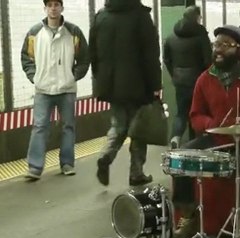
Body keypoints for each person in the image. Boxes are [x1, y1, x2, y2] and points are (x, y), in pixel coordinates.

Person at [171, 25, 240, 238]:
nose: (218, 50)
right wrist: (210, 123)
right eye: (216, 44)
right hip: (215, 138)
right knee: (181, 156)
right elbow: (195, 115)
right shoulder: (205, 79)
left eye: (225, 45)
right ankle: (189, 215)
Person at [89, 0, 162, 187]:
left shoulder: (101, 16)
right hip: (138, 84)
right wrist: (155, 84)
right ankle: (136, 173)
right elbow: (151, 54)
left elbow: (93, 53)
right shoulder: (141, 16)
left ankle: (106, 154)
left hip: (110, 85)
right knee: (140, 130)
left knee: (119, 125)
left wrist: (100, 79)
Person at [21, 0, 89, 180]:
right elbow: (26, 58)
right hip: (43, 89)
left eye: (56, 5)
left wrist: (73, 76)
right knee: (39, 127)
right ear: (45, 9)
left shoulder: (73, 32)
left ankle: (67, 164)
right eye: (49, 5)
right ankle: (35, 168)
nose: (53, 8)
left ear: (62, 8)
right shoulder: (34, 33)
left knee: (68, 127)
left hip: (66, 89)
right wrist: (34, 77)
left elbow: (84, 58)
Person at [163, 5, 212, 149]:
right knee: (198, 112)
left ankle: (175, 138)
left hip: (180, 80)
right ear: (197, 17)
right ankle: (197, 142)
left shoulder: (172, 35)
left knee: (181, 113)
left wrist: (174, 74)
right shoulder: (201, 34)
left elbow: (166, 59)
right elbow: (207, 59)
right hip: (198, 80)